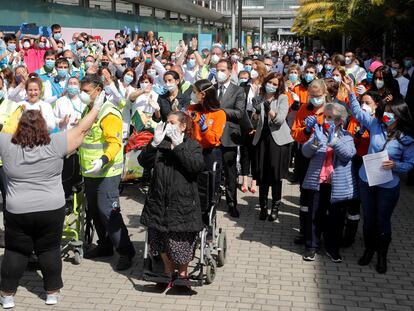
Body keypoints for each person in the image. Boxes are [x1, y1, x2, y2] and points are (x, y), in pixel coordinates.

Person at [0, 91, 105, 308]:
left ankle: (7, 296)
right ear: (44, 127)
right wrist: (96, 109)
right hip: (51, 208)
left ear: (18, 127)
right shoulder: (56, 143)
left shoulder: (5, 144)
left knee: (15, 251)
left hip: (17, 209)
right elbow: (82, 129)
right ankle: (52, 293)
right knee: (49, 250)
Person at [343, 75, 414, 273]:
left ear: (399, 115)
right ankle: (368, 251)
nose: (387, 116)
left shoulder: (406, 138)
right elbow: (357, 111)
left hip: (388, 186)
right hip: (366, 179)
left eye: (391, 114)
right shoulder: (375, 125)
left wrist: (396, 165)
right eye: (386, 112)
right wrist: (350, 90)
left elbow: (410, 163)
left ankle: (382, 256)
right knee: (369, 219)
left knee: (382, 221)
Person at [138, 111, 204, 284]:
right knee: (158, 237)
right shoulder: (161, 146)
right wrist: (153, 143)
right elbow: (143, 161)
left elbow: (195, 167)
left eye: (172, 122)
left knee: (180, 241)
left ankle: (182, 273)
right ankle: (167, 270)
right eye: (167, 122)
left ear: (182, 126)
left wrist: (179, 145)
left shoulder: (192, 145)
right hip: (159, 200)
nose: (168, 125)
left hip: (182, 202)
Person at [78, 74, 136, 271]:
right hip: (90, 171)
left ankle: (126, 251)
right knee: (94, 210)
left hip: (106, 172)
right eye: (82, 91)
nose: (82, 95)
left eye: (86, 91)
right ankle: (104, 246)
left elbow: (114, 143)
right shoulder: (90, 109)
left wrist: (102, 160)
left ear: (98, 91)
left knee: (108, 211)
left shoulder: (108, 113)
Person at [301, 102, 357, 262]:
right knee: (314, 215)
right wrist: (315, 143)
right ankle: (311, 246)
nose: (326, 120)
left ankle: (333, 249)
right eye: (325, 116)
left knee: (336, 219)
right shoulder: (319, 132)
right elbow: (305, 152)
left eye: (330, 118)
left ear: (340, 120)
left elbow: (348, 155)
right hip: (319, 183)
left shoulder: (347, 137)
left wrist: (334, 142)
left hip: (337, 185)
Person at [291, 79, 329, 244]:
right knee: (305, 196)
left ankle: (320, 233)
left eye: (318, 95)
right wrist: (306, 130)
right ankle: (304, 231)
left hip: (325, 160)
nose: (315, 99)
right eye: (312, 95)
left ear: (325, 94)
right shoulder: (304, 109)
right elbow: (295, 133)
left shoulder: (331, 110)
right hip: (306, 157)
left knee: (322, 198)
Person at [252, 73, 293, 222]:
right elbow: (255, 120)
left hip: (278, 141)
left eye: (276, 84)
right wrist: (256, 112)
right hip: (261, 140)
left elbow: (279, 120)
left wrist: (269, 109)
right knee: (262, 176)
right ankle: (263, 207)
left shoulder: (282, 98)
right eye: (270, 83)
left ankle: (275, 208)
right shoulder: (260, 96)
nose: (272, 86)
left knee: (276, 176)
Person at [215, 59, 246, 218]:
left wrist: (220, 111)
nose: (219, 73)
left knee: (230, 171)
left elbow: (239, 113)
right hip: (212, 136)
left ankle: (232, 202)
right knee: (212, 168)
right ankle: (212, 199)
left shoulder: (238, 90)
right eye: (217, 69)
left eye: (222, 70)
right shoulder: (211, 89)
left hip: (229, 136)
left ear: (229, 72)